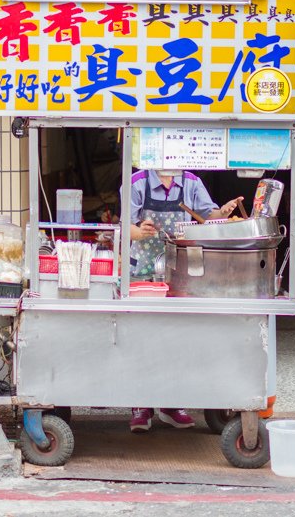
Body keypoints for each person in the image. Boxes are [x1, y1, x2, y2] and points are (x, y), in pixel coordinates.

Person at [126, 168, 244, 433]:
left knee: (178, 337)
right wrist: (138, 231)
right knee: (143, 337)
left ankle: (172, 405)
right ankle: (140, 405)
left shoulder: (191, 182)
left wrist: (222, 213)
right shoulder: (137, 182)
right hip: (143, 271)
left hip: (181, 270)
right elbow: (124, 226)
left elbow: (208, 217)